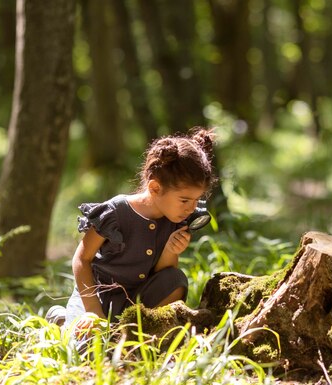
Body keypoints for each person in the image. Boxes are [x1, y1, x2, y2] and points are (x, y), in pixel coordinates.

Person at [48, 127, 217, 331]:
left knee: (175, 279)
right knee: (90, 345)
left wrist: (171, 250)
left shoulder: (176, 216)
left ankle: (141, 329)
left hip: (137, 298)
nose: (191, 207)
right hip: (98, 298)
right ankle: (62, 318)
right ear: (155, 188)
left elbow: (162, 274)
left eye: (197, 200)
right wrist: (93, 311)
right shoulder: (116, 212)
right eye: (185, 200)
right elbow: (81, 259)